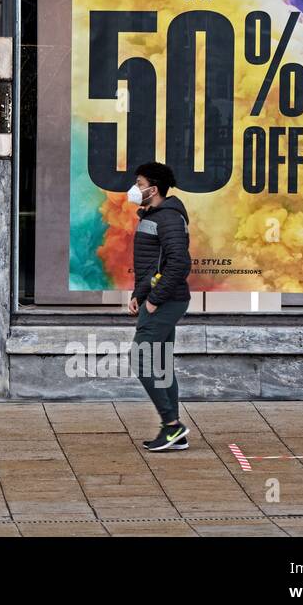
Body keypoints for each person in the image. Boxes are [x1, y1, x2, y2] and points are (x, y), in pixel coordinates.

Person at [126, 161, 193, 452]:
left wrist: (154, 300)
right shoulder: (154, 215)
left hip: (166, 300)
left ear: (153, 189)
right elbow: (154, 263)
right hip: (161, 297)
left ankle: (172, 425)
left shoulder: (168, 218)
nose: (134, 189)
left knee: (140, 359)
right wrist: (139, 294)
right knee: (162, 362)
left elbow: (179, 263)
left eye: (139, 184)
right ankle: (175, 433)